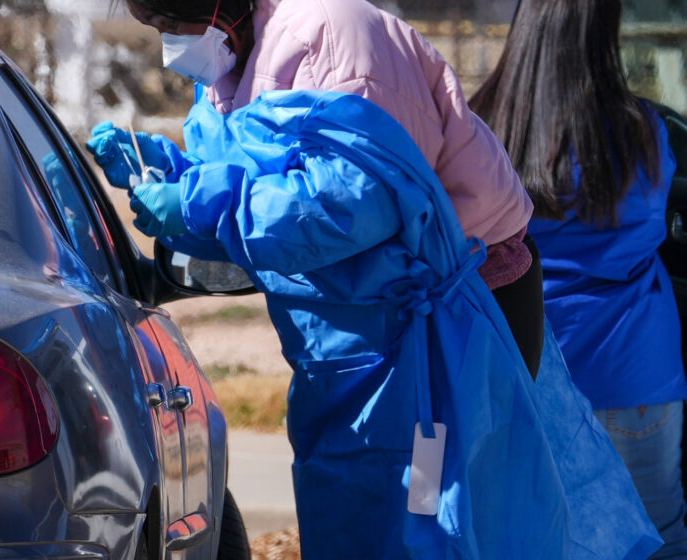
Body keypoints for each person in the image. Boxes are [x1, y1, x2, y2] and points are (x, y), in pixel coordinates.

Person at [88, 0, 661, 557]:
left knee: (437, 517)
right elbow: (250, 190)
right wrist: (168, 168)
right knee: (366, 511)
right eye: (153, 25)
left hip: (446, 326)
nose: (167, 42)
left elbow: (357, 201)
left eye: (168, 21)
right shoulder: (235, 60)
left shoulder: (333, 33)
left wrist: (198, 204)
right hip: (357, 336)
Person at [469, 0, 687, 557]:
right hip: (633, 372)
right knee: (656, 536)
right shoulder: (643, 132)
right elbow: (651, 227)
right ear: (604, 36)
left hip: (520, 370)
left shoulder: (479, 128)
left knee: (534, 538)